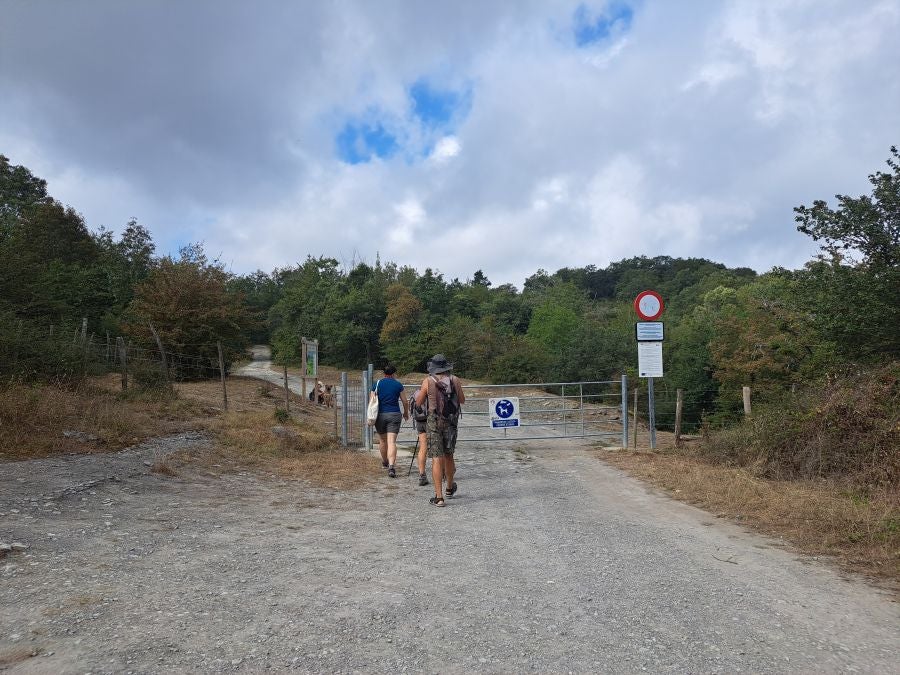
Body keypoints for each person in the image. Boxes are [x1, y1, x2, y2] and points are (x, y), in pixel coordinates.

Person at [414, 354, 465, 506]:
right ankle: (449, 487)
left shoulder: (428, 381)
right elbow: (462, 400)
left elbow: (419, 402)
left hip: (434, 421)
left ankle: (439, 497)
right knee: (449, 455)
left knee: (437, 458)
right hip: (451, 422)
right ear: (446, 366)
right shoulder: (455, 380)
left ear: (433, 367)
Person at [370, 365, 408, 478]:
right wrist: (406, 413)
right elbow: (405, 402)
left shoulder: (377, 384)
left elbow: (372, 401)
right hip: (394, 414)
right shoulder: (398, 384)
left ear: (384, 373)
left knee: (382, 440)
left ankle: (385, 462)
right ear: (393, 374)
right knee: (392, 442)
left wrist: (370, 416)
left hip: (380, 415)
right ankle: (391, 467)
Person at [409, 359, 432, 486]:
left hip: (419, 420)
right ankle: (442, 473)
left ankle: (422, 474)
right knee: (436, 448)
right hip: (431, 420)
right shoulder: (434, 383)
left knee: (423, 447)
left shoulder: (423, 383)